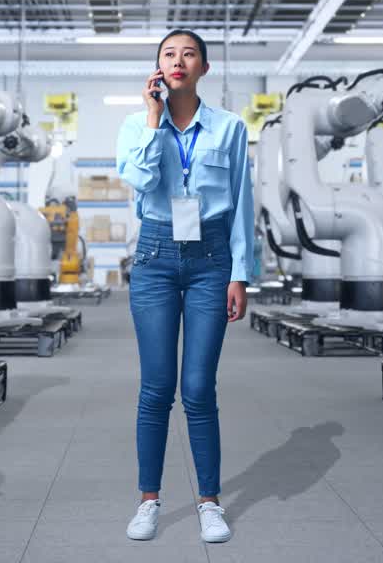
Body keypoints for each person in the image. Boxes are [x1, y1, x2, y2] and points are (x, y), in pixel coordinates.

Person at [115, 29, 253, 544]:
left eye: (188, 54)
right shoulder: (134, 126)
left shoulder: (231, 127)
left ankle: (209, 502)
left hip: (211, 261)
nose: (178, 61)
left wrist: (241, 273)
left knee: (197, 389)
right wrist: (153, 120)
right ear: (158, 68)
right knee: (155, 388)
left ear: (204, 68)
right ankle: (149, 500)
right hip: (153, 258)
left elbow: (243, 202)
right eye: (169, 55)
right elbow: (143, 183)